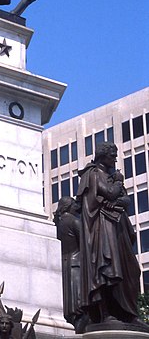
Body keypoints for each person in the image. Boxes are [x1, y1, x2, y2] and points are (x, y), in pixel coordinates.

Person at [76, 142, 141, 326]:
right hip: (102, 230)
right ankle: (106, 314)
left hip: (118, 229)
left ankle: (128, 313)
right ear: (102, 156)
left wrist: (118, 200)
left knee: (131, 270)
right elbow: (111, 194)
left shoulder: (111, 175)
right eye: (112, 155)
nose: (115, 158)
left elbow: (125, 200)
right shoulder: (93, 174)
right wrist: (118, 183)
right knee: (106, 271)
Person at [54, 196, 88, 334]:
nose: (77, 206)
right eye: (74, 204)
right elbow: (86, 242)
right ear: (68, 206)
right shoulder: (74, 221)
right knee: (78, 299)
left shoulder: (58, 223)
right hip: (77, 263)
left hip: (64, 263)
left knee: (69, 299)